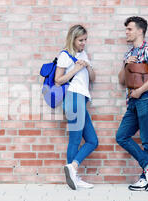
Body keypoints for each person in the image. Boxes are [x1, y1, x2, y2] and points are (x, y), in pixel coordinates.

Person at [116, 16, 148, 191]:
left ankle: (147, 178)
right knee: (121, 136)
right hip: (133, 101)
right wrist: (125, 65)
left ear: (140, 30)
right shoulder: (128, 54)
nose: (127, 32)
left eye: (129, 29)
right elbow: (122, 80)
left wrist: (140, 90)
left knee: (147, 138)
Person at [54, 24, 98, 190]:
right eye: (81, 40)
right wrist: (76, 68)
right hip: (73, 98)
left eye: (85, 40)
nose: (83, 43)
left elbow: (92, 78)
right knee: (75, 139)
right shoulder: (65, 55)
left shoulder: (84, 54)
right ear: (73, 39)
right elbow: (58, 80)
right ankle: (73, 173)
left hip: (82, 100)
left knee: (93, 141)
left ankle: (72, 168)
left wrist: (86, 65)